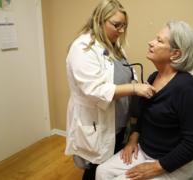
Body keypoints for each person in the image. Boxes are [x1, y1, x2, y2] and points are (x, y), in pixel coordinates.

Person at [95, 20, 193, 180]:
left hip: (173, 163)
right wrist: (132, 140)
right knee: (102, 172)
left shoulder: (186, 87)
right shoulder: (154, 77)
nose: (151, 42)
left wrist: (156, 167)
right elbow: (144, 117)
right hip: (145, 151)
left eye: (159, 41)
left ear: (176, 54)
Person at [65, 0, 156, 179]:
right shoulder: (83, 48)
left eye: (124, 26)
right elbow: (94, 89)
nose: (121, 31)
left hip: (118, 122)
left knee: (107, 166)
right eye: (117, 25)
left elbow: (126, 74)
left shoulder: (115, 45)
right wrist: (134, 88)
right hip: (97, 122)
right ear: (99, 20)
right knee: (94, 170)